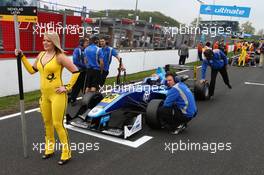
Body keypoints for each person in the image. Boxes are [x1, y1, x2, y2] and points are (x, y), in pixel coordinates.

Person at [15, 31, 79, 165]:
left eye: (48, 41)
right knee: (47, 123)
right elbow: (32, 71)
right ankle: (49, 149)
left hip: (58, 96)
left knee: (57, 124)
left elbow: (76, 71)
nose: (45, 42)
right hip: (44, 96)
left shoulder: (60, 56)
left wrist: (67, 87)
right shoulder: (41, 55)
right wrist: (22, 57)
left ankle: (66, 152)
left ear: (54, 42)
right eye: (44, 40)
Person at [69, 38, 89, 103]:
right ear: (82, 43)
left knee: (84, 85)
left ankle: (86, 99)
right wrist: (85, 66)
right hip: (78, 71)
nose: (87, 44)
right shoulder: (77, 50)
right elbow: (75, 61)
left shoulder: (85, 50)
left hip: (84, 71)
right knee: (76, 85)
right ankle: (72, 99)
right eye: (86, 43)